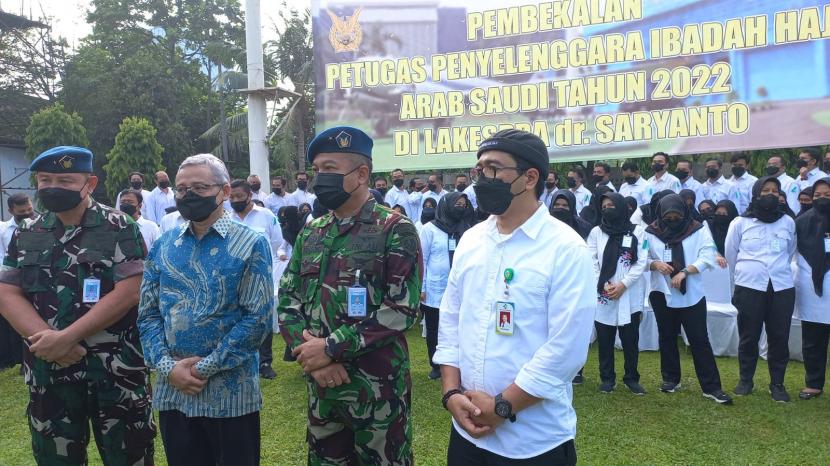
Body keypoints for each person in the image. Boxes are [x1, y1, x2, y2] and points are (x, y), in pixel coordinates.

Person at [435, 129, 593, 465]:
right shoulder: (472, 240)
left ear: (530, 177)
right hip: (466, 434)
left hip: (533, 442)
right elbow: (451, 320)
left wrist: (502, 407)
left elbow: (566, 349)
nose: (481, 177)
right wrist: (450, 392)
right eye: (479, 168)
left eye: (493, 168)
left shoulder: (566, 249)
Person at [0, 146, 156, 464]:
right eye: (45, 179)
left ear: (90, 183)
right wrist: (50, 340)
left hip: (115, 371)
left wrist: (66, 337)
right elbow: (7, 292)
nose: (53, 187)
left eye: (66, 180)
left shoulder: (119, 226)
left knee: (129, 456)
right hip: (50, 371)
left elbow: (131, 289)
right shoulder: (28, 232)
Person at [278, 126, 422, 465]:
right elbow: (288, 297)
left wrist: (330, 348)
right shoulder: (313, 232)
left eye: (329, 169)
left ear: (361, 174)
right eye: (316, 170)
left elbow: (402, 307)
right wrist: (313, 357)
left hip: (378, 390)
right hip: (323, 391)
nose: (319, 178)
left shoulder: (395, 229)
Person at [138, 153, 273, 466]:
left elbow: (257, 320)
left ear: (224, 192)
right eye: (181, 188)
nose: (188, 195)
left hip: (231, 395)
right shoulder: (164, 244)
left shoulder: (251, 243)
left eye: (199, 187)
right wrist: (167, 367)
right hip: (175, 393)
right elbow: (148, 315)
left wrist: (203, 368)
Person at [645, 194, 732, 404]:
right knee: (666, 336)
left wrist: (685, 272)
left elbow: (708, 255)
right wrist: (655, 264)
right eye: (668, 216)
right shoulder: (650, 232)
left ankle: (712, 387)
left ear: (684, 213)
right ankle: (670, 379)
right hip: (662, 292)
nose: (672, 219)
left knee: (699, 339)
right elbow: (642, 257)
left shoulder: (698, 229)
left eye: (676, 215)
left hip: (691, 294)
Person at [725, 176, 797, 402]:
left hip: (781, 287)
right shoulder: (740, 223)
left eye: (775, 191)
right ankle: (745, 380)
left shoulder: (788, 222)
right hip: (749, 287)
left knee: (778, 337)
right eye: (765, 190)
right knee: (749, 336)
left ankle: (777, 384)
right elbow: (731, 255)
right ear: (756, 194)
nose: (770, 194)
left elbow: (791, 252)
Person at [588, 192, 648, 395]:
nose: (607, 209)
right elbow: (591, 259)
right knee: (605, 338)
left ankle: (631, 378)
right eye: (604, 206)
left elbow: (641, 262)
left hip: (629, 293)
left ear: (622, 207)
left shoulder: (638, 232)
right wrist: (603, 282)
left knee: (630, 339)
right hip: (604, 293)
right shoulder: (597, 232)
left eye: (612, 205)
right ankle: (607, 378)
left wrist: (623, 284)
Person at [229, 179, 284, 381]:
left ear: (249, 196)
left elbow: (277, 242)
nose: (235, 200)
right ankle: (240, 360)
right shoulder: (227, 219)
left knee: (263, 318)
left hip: (262, 277)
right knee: (237, 317)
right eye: (231, 197)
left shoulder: (267, 216)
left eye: (239, 197)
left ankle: (265, 362)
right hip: (236, 277)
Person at [419, 192, 474, 380]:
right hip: (435, 290)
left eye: (462, 204)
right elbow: (422, 259)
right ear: (447, 205)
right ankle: (436, 365)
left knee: (460, 328)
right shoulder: (429, 229)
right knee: (434, 329)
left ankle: (459, 364)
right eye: (456, 204)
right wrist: (422, 287)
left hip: (462, 290)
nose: (460, 207)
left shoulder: (467, 229)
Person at [795, 177, 830, 400]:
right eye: (817, 196)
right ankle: (814, 383)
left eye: (827, 195)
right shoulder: (802, 221)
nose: (822, 199)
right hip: (812, 288)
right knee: (813, 338)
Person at [0, 193, 35, 370]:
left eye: (29, 209)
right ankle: (15, 358)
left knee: (34, 316)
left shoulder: (41, 225)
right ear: (11, 211)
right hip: (11, 278)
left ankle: (26, 359)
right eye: (22, 211)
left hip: (34, 278)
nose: (28, 213)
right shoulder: (4, 230)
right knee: (15, 320)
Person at [708, 200, 739, 268]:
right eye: (718, 213)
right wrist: (716, 254)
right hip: (717, 265)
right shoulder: (710, 227)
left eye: (724, 214)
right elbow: (707, 244)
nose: (721, 216)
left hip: (737, 264)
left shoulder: (737, 227)